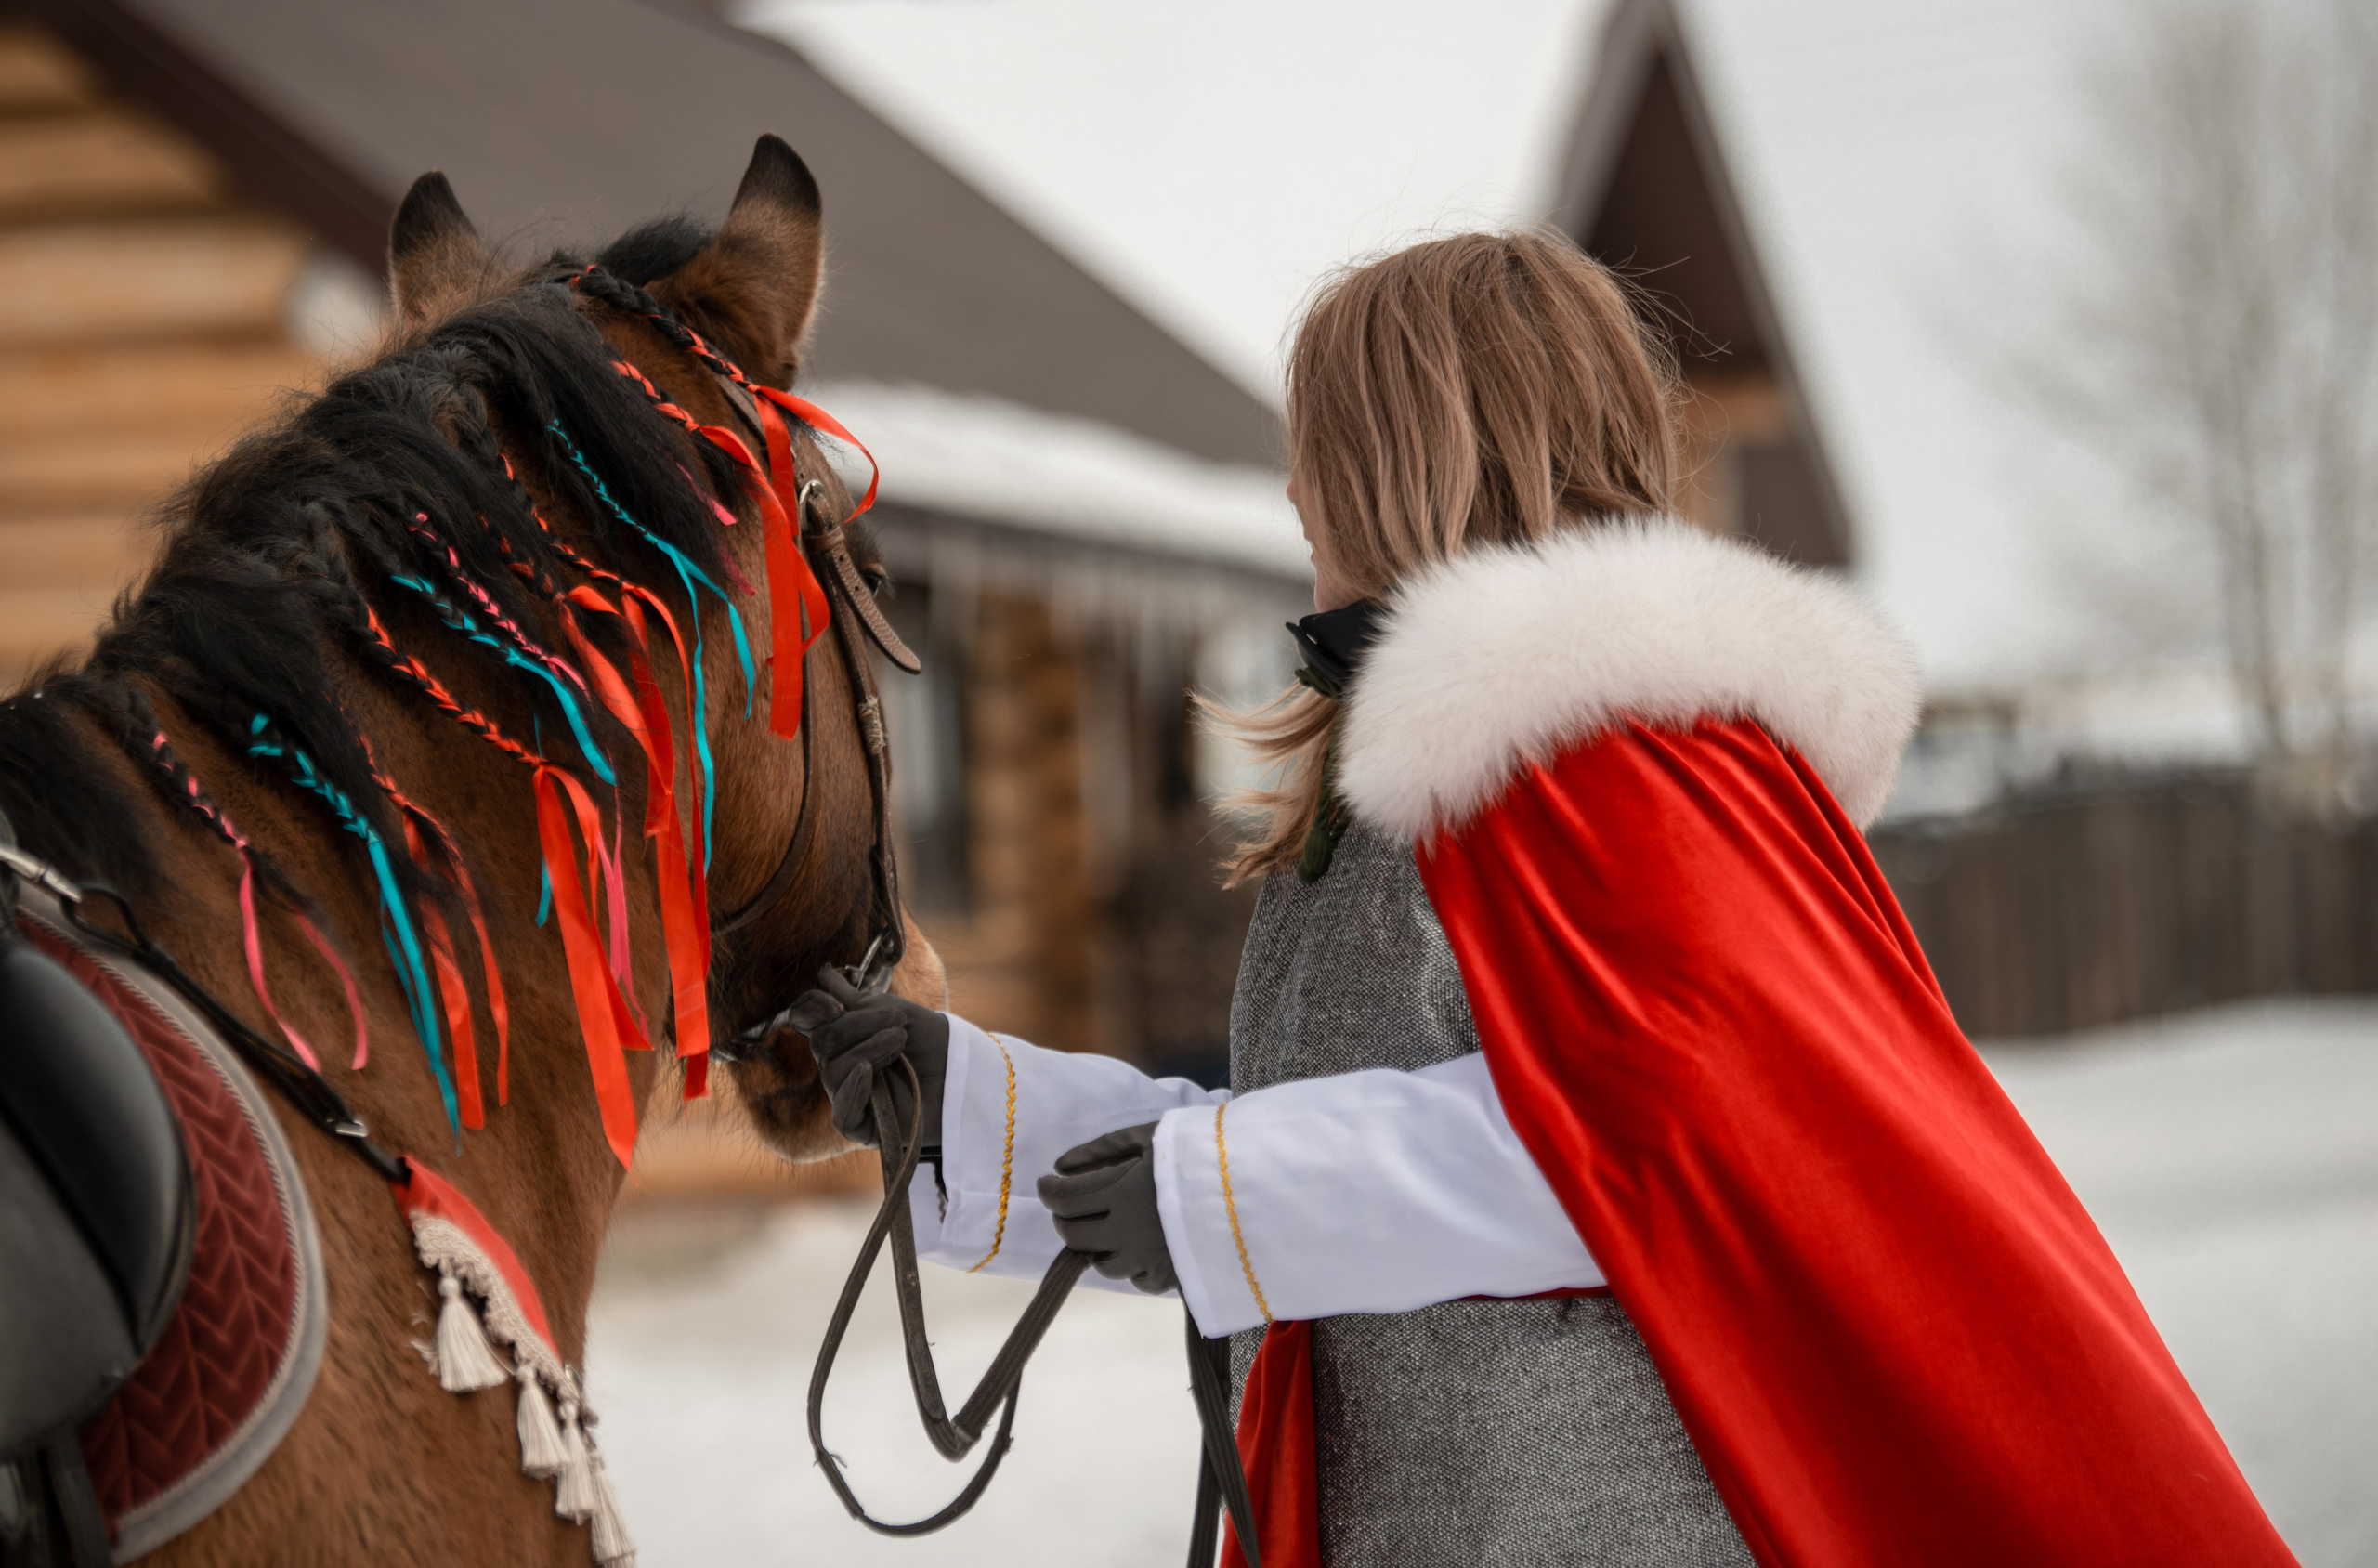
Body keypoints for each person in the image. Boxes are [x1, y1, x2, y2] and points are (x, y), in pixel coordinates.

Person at [785, 231, 2296, 1568]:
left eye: (1320, 441)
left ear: (1410, 455)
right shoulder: (1418, 779)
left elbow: (1656, 1127)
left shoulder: (1616, 757)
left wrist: (1215, 1196)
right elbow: (1381, 1116)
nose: (1295, 487)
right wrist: (974, 1111)